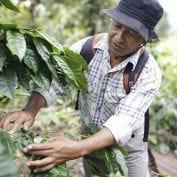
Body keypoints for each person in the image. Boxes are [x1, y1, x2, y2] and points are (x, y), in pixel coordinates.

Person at [0, 0, 163, 176]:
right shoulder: (86, 49)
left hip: (129, 149)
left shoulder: (148, 73)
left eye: (131, 33)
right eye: (117, 26)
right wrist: (30, 110)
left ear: (144, 40)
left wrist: (76, 148)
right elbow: (56, 83)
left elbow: (123, 122)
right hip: (88, 139)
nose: (118, 37)